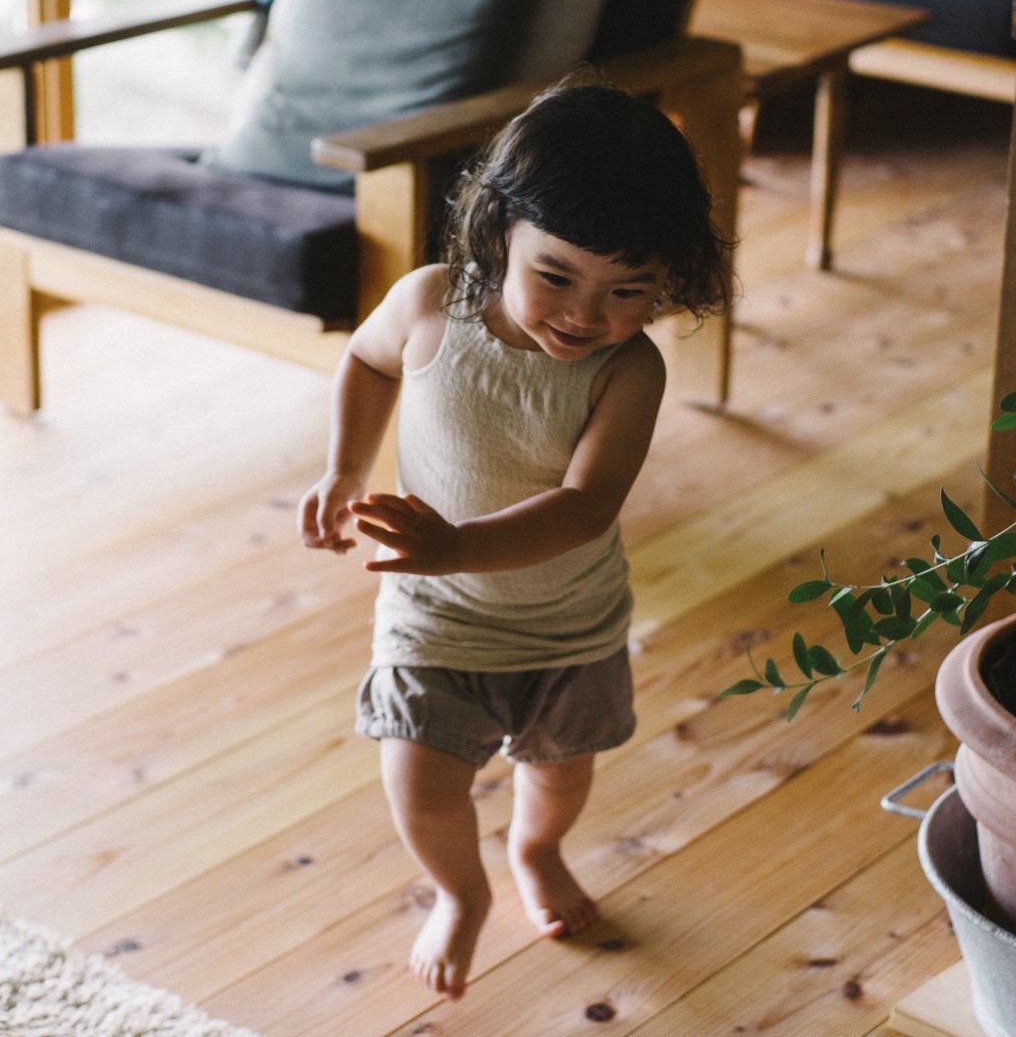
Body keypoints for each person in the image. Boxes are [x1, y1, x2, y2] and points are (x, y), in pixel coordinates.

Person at [298, 77, 735, 1000]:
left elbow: (586, 504)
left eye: (630, 290)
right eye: (557, 275)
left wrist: (456, 542)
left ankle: (536, 850)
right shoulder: (428, 308)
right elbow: (367, 361)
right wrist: (345, 468)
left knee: (559, 776)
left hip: (566, 627)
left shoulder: (629, 370)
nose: (586, 313)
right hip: (436, 617)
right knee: (418, 781)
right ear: (497, 230)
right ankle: (461, 889)